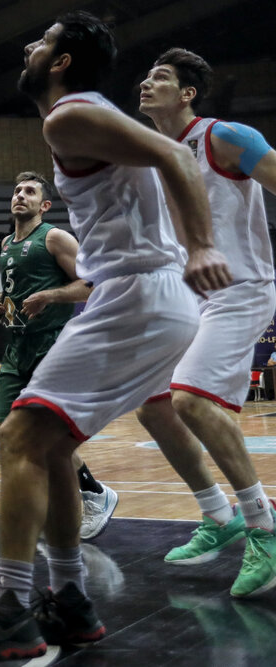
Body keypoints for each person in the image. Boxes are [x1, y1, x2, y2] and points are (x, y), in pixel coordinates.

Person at [0, 12, 231, 664]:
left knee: (19, 437)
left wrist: (201, 244)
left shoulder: (68, 116)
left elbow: (177, 154)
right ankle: (69, 598)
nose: (29, 46)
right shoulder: (85, 120)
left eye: (43, 41)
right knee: (54, 447)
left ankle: (10, 609)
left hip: (137, 296)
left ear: (62, 61)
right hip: (138, 296)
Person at [133, 48, 276, 597]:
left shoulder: (225, 137)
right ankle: (219, 514)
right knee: (154, 407)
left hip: (239, 289)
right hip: (187, 296)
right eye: (146, 76)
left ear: (188, 93)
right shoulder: (152, 153)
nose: (147, 84)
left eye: (161, 77)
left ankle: (263, 525)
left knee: (191, 401)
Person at [0, 172, 117, 541]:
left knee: (48, 433)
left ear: (44, 205)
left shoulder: (54, 237)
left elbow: (90, 284)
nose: (19, 195)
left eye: (29, 192)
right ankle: (83, 493)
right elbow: (20, 292)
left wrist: (51, 297)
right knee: (2, 430)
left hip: (51, 344)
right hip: (16, 347)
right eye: (16, 190)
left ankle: (90, 494)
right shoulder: (6, 243)